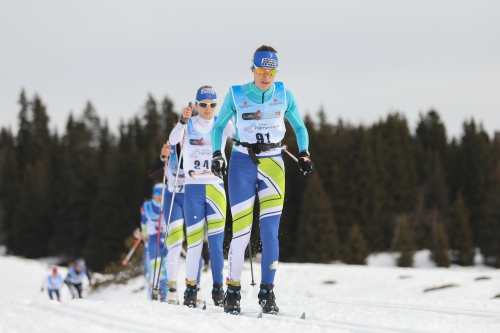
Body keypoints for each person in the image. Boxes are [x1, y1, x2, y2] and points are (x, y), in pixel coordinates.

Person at [211, 45, 314, 315]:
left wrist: (303, 153)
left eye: (271, 71)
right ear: (253, 69)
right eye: (261, 70)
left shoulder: (284, 94)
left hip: (273, 166)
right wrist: (217, 154)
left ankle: (267, 291)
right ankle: (232, 292)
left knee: (269, 235)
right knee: (242, 233)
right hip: (242, 163)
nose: (266, 76)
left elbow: (300, 127)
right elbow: (220, 126)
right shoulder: (236, 94)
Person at [169, 86, 234, 308]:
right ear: (196, 105)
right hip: (193, 188)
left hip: (216, 188)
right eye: (203, 105)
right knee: (195, 242)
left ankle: (218, 288)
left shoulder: (222, 122)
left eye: (212, 105)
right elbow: (172, 140)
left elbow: (240, 136)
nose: (208, 109)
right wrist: (181, 120)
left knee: (216, 245)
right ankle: (191, 288)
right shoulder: (189, 125)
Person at [148, 144, 203, 304]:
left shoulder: (198, 145)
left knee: (195, 243)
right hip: (173, 199)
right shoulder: (170, 149)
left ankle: (195, 286)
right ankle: (172, 290)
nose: (184, 136)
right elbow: (151, 173)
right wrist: (162, 157)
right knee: (176, 243)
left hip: (193, 197)